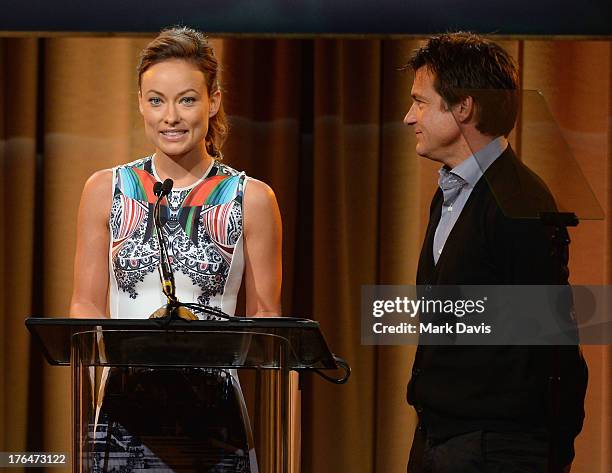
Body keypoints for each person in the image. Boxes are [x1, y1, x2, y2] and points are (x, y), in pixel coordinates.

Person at [69, 27, 282, 472]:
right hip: (122, 412)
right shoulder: (104, 189)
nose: (170, 116)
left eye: (186, 99)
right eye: (155, 100)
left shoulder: (252, 198)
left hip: (213, 417)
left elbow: (267, 320)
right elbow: (84, 306)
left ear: (214, 101)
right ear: (140, 104)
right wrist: (95, 398)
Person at [403, 32, 587, 473]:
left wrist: (552, 453)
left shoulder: (518, 201)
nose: (410, 117)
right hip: (440, 437)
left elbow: (555, 344)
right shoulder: (451, 191)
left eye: (421, 102)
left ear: (463, 107)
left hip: (495, 449)